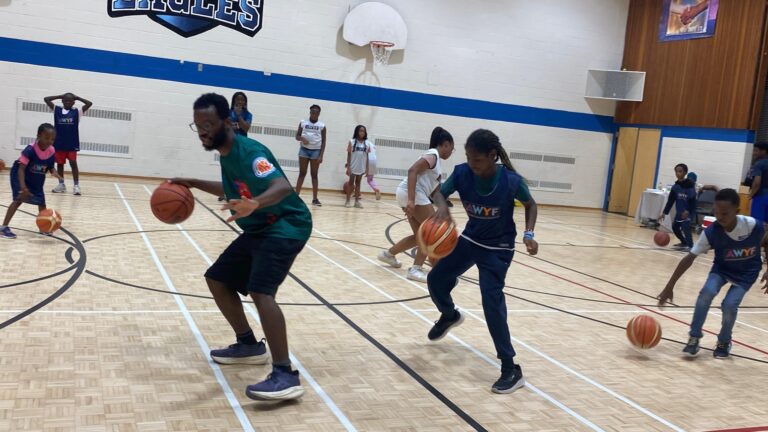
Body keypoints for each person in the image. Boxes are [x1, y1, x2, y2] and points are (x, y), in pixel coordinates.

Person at [172, 93, 312, 401]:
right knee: (217, 279)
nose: (203, 132)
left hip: (286, 225)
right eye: (198, 126)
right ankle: (248, 344)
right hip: (260, 228)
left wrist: (255, 203)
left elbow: (282, 186)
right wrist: (193, 182)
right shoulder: (226, 155)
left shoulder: (250, 152)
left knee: (261, 292)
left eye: (208, 124)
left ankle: (285, 374)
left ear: (226, 122)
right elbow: (230, 189)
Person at [426, 129, 538, 394]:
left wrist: (529, 234)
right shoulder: (462, 173)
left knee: (491, 301)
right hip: (470, 240)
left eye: (476, 159)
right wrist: (441, 206)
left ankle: (510, 368)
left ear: (492, 156)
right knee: (436, 278)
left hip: (498, 249)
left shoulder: (511, 181)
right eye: (468, 157)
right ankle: (449, 314)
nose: (471, 163)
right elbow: (437, 193)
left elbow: (531, 205)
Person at [657, 188, 768, 359]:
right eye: (717, 212)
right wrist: (669, 286)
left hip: (747, 272)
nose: (720, 217)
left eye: (725, 213)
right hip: (722, 269)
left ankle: (724, 341)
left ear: (737, 211)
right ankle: (694, 337)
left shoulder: (752, 226)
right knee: (706, 293)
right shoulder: (711, 232)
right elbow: (688, 258)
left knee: (729, 305)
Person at [377, 127, 455, 282]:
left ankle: (388, 255)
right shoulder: (433, 155)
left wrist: (443, 206)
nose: (451, 152)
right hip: (412, 194)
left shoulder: (436, 161)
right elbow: (412, 170)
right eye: (451, 148)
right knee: (431, 233)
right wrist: (412, 200)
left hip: (407, 193)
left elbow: (434, 193)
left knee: (419, 237)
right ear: (445, 144)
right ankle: (415, 269)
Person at [1, 123, 62, 239]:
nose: (50, 141)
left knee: (41, 203)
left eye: (52, 139)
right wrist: (23, 187)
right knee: (18, 199)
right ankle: (3, 228)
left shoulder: (51, 150)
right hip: (20, 174)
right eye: (47, 138)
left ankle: (44, 228)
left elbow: (50, 166)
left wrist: (54, 171)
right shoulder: (30, 150)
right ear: (38, 136)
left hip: (36, 177)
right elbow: (21, 169)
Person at [44, 92, 92, 196]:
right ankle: (61, 184)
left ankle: (76, 186)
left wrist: (78, 97)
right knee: (60, 165)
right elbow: (46, 99)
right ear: (62, 101)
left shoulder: (77, 112)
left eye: (70, 101)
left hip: (72, 143)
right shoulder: (56, 110)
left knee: (73, 164)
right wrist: (59, 96)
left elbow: (89, 103)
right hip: (59, 143)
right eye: (66, 101)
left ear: (73, 102)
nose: (68, 103)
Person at [294, 105, 326, 206]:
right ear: (310, 112)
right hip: (304, 150)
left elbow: (324, 141)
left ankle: (315, 199)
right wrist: (302, 139)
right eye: (312, 112)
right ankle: (296, 197)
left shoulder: (322, 126)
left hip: (316, 151)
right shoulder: (303, 122)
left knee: (314, 175)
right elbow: (297, 136)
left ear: (319, 114)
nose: (314, 114)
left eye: (316, 112)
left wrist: (321, 155)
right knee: (302, 173)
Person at [661, 163, 697, 250]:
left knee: (685, 226)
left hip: (688, 211)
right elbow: (670, 201)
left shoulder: (689, 185)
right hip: (679, 212)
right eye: (676, 171)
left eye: (680, 171)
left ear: (685, 173)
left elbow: (693, 201)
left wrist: (688, 211)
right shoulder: (675, 187)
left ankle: (690, 246)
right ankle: (684, 242)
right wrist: (664, 212)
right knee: (675, 227)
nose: (678, 173)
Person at [345, 125, 370, 208]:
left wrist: (367, 168)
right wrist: (348, 167)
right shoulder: (351, 141)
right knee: (351, 183)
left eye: (363, 131)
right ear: (357, 132)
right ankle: (347, 201)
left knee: (358, 183)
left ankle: (356, 202)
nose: (362, 132)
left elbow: (367, 157)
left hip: (361, 167)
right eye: (360, 131)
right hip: (353, 166)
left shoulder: (367, 143)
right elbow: (349, 155)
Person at [748, 141, 768, 225]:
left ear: (764, 151)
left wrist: (750, 195)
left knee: (756, 223)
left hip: (761, 197)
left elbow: (756, 183)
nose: (753, 153)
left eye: (756, 150)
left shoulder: (759, 164)